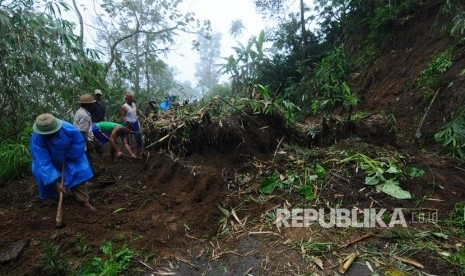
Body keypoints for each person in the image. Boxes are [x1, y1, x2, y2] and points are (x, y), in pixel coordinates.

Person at [30, 113, 96, 211]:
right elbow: (42, 162)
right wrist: (55, 181)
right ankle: (51, 201)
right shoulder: (37, 139)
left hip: (69, 158)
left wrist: (70, 154)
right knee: (43, 175)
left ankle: (83, 201)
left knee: (77, 173)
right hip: (50, 162)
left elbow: (78, 143)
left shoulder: (68, 128)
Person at [73, 93, 96, 175]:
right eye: (92, 104)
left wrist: (92, 140)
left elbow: (87, 129)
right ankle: (88, 179)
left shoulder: (79, 112)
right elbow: (81, 131)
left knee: (86, 160)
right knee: (85, 161)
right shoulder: (84, 115)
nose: (93, 105)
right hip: (82, 142)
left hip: (79, 141)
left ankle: (90, 177)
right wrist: (88, 143)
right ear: (88, 105)